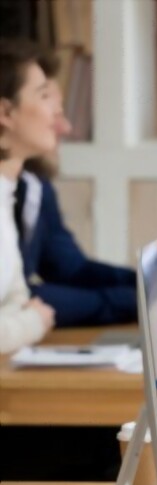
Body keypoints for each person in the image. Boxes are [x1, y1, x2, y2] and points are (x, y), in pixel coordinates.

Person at [15, 80, 138, 328]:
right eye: (54, 112)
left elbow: (69, 269)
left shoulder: (36, 186)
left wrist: (147, 282)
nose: (66, 127)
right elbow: (15, 300)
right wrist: (135, 301)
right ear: (6, 113)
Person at [1, 40, 58, 354]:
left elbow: (18, 299)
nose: (56, 110)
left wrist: (22, 319)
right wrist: (32, 323)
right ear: (5, 112)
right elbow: (27, 312)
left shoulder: (5, 193)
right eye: (44, 95)